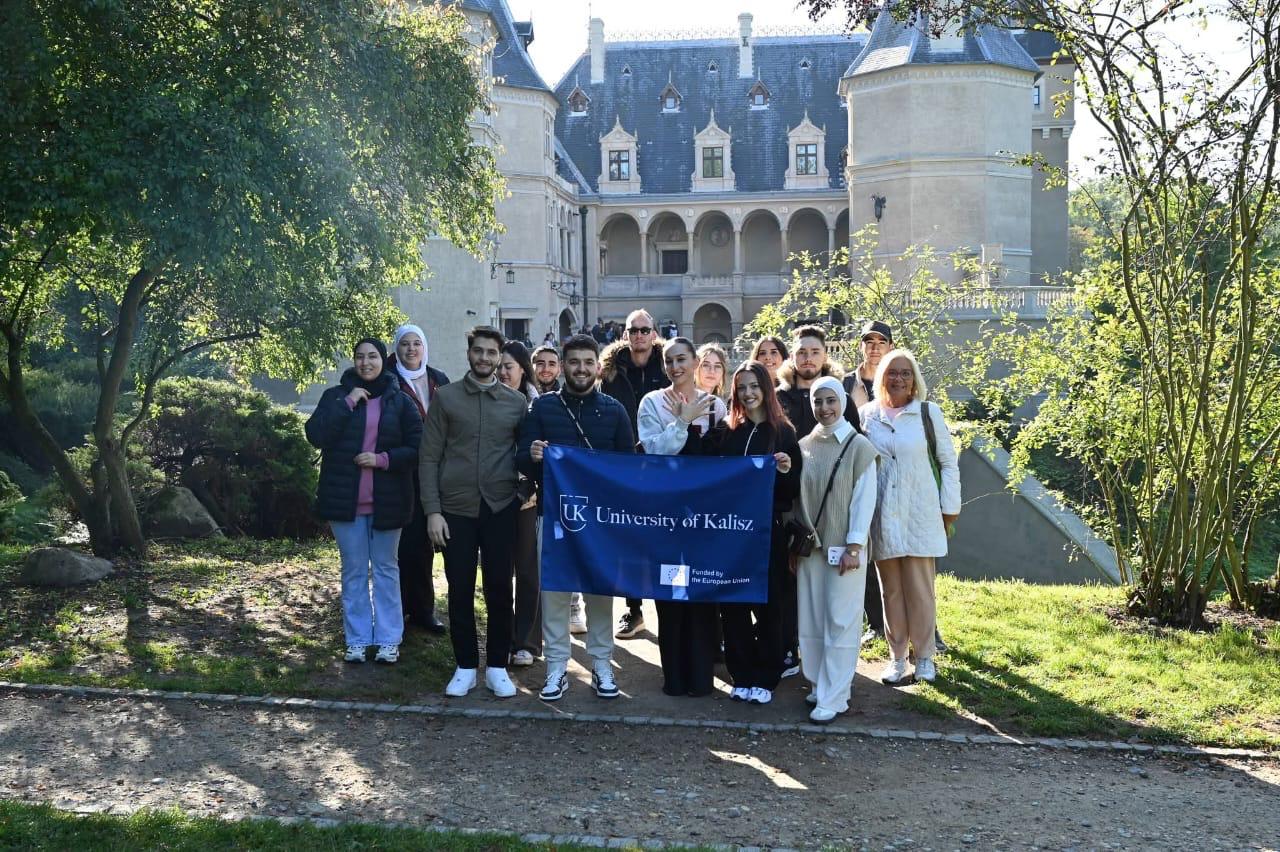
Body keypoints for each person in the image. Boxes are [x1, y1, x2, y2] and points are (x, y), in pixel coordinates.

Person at [517, 334, 636, 701]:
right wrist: (533, 454)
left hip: (601, 521)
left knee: (600, 592)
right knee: (554, 591)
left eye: (587, 362)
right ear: (563, 367)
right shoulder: (542, 408)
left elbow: (629, 466)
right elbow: (521, 458)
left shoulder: (614, 410)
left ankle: (601, 664)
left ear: (597, 367)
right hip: (555, 515)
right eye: (574, 362)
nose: (581, 369)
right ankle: (557, 667)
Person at [420, 326, 528, 698]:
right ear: (469, 353)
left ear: (500, 357)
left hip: (500, 507)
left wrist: (523, 493)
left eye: (491, 352)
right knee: (460, 588)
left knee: (499, 588)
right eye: (478, 351)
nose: (484, 358)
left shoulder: (515, 402)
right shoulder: (446, 398)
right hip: (455, 510)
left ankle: (497, 666)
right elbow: (429, 457)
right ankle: (465, 666)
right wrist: (433, 511)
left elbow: (528, 454)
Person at [305, 338, 423, 665]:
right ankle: (356, 640)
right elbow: (316, 435)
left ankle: (388, 640)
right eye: (360, 357)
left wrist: (383, 459)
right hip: (345, 503)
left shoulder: (401, 401)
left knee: (386, 570)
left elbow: (418, 448)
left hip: (389, 502)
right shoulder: (335, 396)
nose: (366, 362)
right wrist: (348, 403)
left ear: (383, 360)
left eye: (372, 356)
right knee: (354, 571)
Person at [703, 361, 802, 706]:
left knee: (769, 605)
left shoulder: (783, 432)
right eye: (742, 387)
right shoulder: (727, 431)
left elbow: (792, 490)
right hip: (729, 535)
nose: (748, 393)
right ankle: (741, 675)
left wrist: (785, 471)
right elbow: (703, 471)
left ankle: (766, 675)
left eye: (754, 386)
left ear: (766, 388)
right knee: (733, 606)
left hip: (765, 534)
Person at [859, 349, 960, 685]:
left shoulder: (928, 414)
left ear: (914, 378)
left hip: (920, 512)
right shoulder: (867, 416)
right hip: (883, 513)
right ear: (881, 377)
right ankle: (897, 657)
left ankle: (925, 656)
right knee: (890, 591)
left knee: (920, 589)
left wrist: (949, 510)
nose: (898, 379)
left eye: (905, 373)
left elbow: (948, 463)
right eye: (892, 372)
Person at [637, 336, 728, 697]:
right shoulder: (651, 402)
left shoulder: (716, 406)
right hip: (667, 518)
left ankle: (701, 676)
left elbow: (723, 461)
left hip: (703, 519)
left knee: (701, 593)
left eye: (681, 360)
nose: (676, 367)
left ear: (695, 363)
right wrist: (681, 423)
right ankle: (674, 676)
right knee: (671, 593)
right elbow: (654, 450)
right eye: (669, 361)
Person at [774, 325, 858, 678]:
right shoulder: (778, 397)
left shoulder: (840, 397)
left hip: (832, 507)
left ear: (825, 356)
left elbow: (854, 450)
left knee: (828, 585)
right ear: (792, 356)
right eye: (801, 352)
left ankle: (829, 656)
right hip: (791, 503)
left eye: (814, 352)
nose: (807, 358)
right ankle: (790, 648)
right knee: (790, 579)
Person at [794, 377, 879, 723]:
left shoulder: (859, 447)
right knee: (812, 619)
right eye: (818, 401)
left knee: (841, 621)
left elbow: (864, 500)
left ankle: (836, 694)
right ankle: (819, 683)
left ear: (842, 402)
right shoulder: (804, 446)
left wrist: (855, 546)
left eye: (830, 400)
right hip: (812, 548)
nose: (824, 408)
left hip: (845, 549)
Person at [600, 308, 670, 640]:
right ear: (625, 334)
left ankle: (669, 608)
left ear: (654, 333)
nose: (639, 335)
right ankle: (634, 609)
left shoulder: (668, 366)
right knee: (628, 541)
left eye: (644, 330)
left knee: (665, 538)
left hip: (664, 464)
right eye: (633, 330)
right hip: (625, 463)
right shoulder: (610, 371)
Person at [387, 324, 449, 635]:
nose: (411, 349)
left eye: (416, 344)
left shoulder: (439, 379)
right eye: (405, 344)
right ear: (396, 349)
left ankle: (424, 609)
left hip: (434, 469)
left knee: (424, 544)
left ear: (424, 348)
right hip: (402, 470)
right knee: (401, 544)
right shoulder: (388, 381)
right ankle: (398, 610)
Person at [498, 341, 542, 669]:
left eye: (508, 366)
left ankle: (526, 641)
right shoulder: (487, 399)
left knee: (527, 571)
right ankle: (502, 639)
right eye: (499, 366)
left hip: (528, 497)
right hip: (492, 495)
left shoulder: (536, 405)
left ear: (523, 370)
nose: (502, 372)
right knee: (499, 572)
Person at [844, 320, 892, 409]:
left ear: (891, 347)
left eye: (881, 343)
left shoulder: (896, 384)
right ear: (860, 346)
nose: (875, 348)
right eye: (870, 342)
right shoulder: (845, 383)